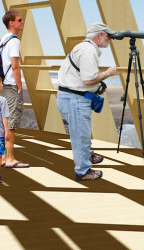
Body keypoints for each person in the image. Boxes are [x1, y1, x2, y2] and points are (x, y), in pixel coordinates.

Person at [56, 22, 118, 181]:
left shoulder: (82, 48)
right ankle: (83, 172)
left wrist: (97, 85)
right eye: (107, 35)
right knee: (80, 135)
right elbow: (88, 79)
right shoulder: (89, 51)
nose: (109, 38)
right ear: (98, 36)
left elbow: (80, 78)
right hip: (74, 101)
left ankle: (86, 155)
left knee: (81, 132)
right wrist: (107, 74)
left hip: (70, 97)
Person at [0, 10, 29, 168]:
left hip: (2, 85)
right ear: (11, 23)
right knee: (11, 124)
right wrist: (19, 85)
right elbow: (15, 66)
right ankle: (10, 159)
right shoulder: (15, 41)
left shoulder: (3, 39)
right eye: (19, 20)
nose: (22, 22)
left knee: (4, 122)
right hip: (11, 86)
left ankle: (4, 157)